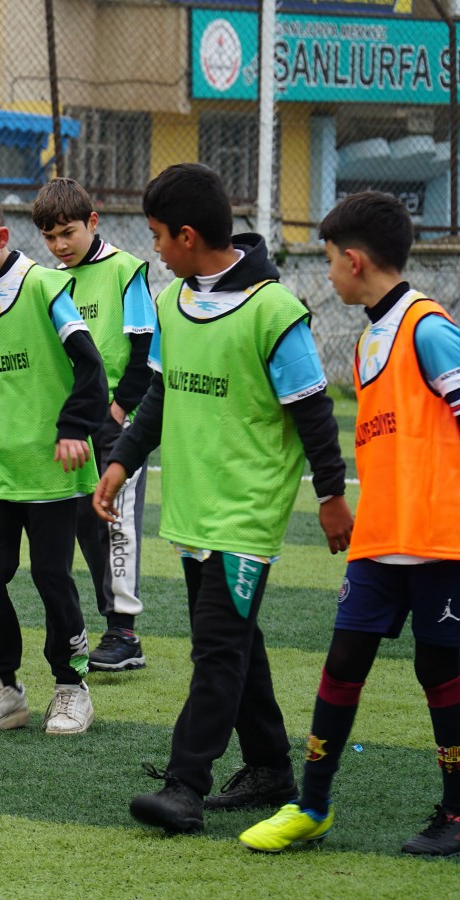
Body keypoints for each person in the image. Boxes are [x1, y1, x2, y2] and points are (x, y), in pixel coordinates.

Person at [94, 163, 352, 834]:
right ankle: (269, 766)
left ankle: (185, 786)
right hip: (194, 512)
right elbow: (158, 397)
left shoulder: (274, 311)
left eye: (156, 236)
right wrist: (120, 464)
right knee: (237, 643)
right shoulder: (175, 304)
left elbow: (313, 413)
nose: (153, 249)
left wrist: (331, 496)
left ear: (186, 235)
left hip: (246, 515)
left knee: (216, 649)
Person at [239, 192, 460, 856]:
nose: (328, 272)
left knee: (441, 671)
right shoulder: (369, 338)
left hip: (439, 542)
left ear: (355, 261)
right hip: (379, 541)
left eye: (331, 260)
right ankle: (311, 805)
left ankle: (456, 813)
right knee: (342, 665)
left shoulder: (429, 327)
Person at [0, 185, 108, 737]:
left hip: (51, 469)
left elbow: (92, 368)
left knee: (50, 576)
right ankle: (6, 688)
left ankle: (71, 686)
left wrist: (72, 428)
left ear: (0, 238)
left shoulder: (44, 286)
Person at [32, 177, 156, 672]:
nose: (60, 245)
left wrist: (118, 413)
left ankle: (124, 633)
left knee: (117, 518)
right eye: (49, 237)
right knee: (82, 517)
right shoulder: (48, 278)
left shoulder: (127, 271)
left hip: (118, 423)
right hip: (77, 424)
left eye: (67, 233)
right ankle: (95, 624)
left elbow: (145, 350)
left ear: (92, 222)